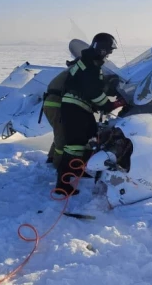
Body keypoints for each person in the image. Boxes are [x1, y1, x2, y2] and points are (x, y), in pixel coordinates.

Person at [56, 33, 126, 195]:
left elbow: (95, 86)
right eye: (107, 51)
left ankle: (78, 170)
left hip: (80, 108)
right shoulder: (89, 66)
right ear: (100, 49)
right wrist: (111, 104)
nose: (108, 54)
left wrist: (111, 88)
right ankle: (62, 184)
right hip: (75, 109)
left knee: (90, 138)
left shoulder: (88, 63)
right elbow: (94, 92)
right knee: (74, 146)